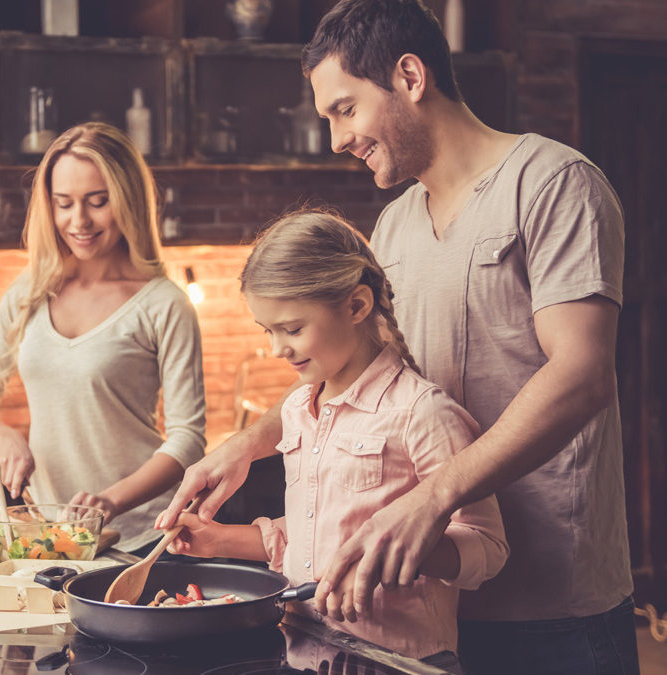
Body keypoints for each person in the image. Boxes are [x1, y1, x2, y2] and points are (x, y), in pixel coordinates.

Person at [158, 1, 638, 673]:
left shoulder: (554, 184)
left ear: (410, 76)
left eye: (344, 110)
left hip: (555, 603)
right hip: (432, 611)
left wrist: (433, 499)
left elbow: (582, 373)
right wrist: (247, 445)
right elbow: (364, 381)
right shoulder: (393, 228)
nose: (335, 138)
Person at [168, 211, 508, 668]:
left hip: (400, 661)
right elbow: (311, 537)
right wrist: (219, 541)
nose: (276, 349)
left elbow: (488, 549)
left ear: (356, 307)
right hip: (306, 648)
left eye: (292, 328)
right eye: (267, 330)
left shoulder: (421, 413)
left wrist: (404, 548)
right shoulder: (295, 411)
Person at [0, 121, 207, 555]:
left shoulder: (163, 304)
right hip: (53, 537)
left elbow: (188, 439)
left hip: (144, 539)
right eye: (64, 204)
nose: (79, 221)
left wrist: (110, 501)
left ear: (127, 200)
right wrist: (1, 435)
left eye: (97, 202)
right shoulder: (28, 293)